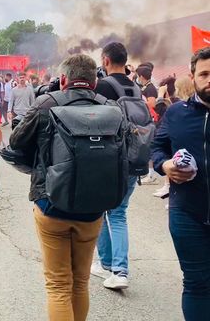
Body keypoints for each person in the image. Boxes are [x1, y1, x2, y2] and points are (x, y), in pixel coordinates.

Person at [10, 54, 107, 321]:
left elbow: (16, 142)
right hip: (93, 208)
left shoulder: (46, 103)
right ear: (94, 82)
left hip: (51, 204)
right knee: (80, 282)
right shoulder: (109, 106)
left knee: (58, 285)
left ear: (63, 79)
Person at [151, 47, 210, 321]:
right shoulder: (175, 114)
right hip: (187, 212)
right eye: (205, 74)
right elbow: (156, 147)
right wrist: (164, 166)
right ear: (193, 76)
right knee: (197, 284)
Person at [90, 42, 139, 290]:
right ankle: (107, 263)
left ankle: (118, 269)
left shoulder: (104, 86)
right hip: (135, 158)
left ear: (106, 60)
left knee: (108, 211)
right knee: (116, 211)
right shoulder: (136, 87)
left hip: (111, 159)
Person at [136, 64, 160, 185]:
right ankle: (149, 172)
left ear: (141, 76)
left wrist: (139, 105)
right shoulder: (146, 87)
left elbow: (152, 104)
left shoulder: (150, 88)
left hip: (151, 120)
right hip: (147, 119)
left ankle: (151, 173)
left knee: (149, 146)